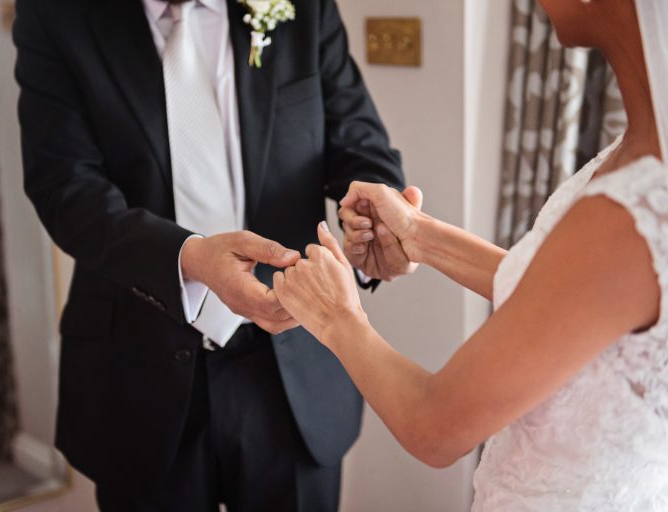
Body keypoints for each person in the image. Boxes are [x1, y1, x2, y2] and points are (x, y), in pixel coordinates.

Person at [274, 0, 668, 509]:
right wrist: (418, 234)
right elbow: (564, 303)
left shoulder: (634, 211)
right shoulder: (641, 152)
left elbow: (435, 425)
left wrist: (335, 316)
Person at [13, 0, 406, 509]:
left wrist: (376, 217)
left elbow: (357, 140)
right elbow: (65, 187)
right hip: (136, 372)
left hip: (292, 372)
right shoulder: (55, 15)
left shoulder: (301, 7)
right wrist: (189, 259)